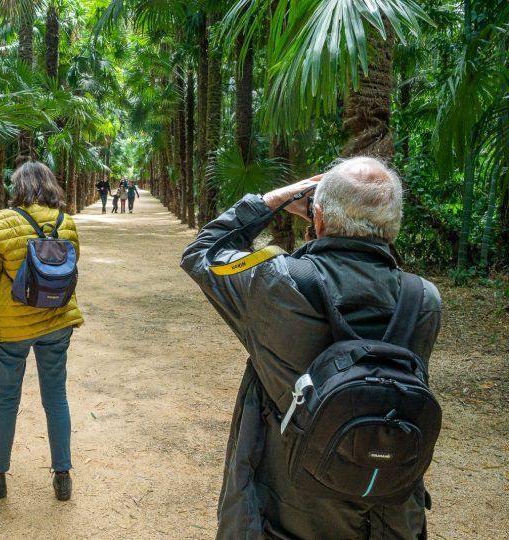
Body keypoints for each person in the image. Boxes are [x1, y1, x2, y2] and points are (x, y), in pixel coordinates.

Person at [180, 156, 441, 539]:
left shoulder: (276, 282)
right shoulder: (423, 300)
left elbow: (202, 253)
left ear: (317, 218)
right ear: (394, 225)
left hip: (281, 512)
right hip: (387, 511)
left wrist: (272, 200)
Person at [0, 161, 83, 502]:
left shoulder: (0, 222)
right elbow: (70, 268)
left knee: (6, 399)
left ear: (18, 186)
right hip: (57, 321)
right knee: (57, 397)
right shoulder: (66, 222)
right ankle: (62, 476)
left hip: (13, 327)